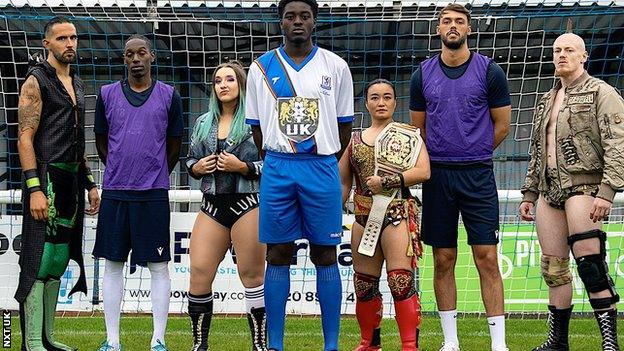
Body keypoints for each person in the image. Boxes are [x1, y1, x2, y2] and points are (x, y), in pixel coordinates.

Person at [245, 0, 354, 349]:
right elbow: (258, 130)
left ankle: (331, 345)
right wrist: (282, 155)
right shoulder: (260, 69)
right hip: (278, 167)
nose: (297, 22)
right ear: (280, 22)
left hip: (321, 167)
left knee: (326, 253)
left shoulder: (335, 67)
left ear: (314, 22)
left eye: (304, 16)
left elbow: (344, 128)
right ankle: (275, 344)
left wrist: (320, 157)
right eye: (290, 16)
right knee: (277, 252)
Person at [409, 4, 511, 351]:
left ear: (468, 29)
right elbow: (417, 130)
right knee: (443, 259)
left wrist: (474, 149)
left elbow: (502, 127)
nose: (452, 26)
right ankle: (450, 341)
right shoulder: (422, 74)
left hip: (478, 175)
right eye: (446, 21)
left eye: (459, 21)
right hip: (437, 176)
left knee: (486, 256)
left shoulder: (490, 72)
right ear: (437, 29)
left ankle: (499, 344)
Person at [519, 33, 622, 351]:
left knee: (590, 265)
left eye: (569, 50)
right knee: (553, 269)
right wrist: (529, 194)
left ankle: (609, 343)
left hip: (585, 187)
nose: (562, 55)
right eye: (557, 50)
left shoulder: (602, 93)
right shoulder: (546, 100)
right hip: (549, 191)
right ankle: (557, 341)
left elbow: (618, 144)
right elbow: (539, 150)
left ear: (584, 56)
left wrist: (606, 192)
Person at [92, 34, 183, 351]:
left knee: (159, 267)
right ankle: (112, 340)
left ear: (152, 57)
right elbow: (102, 141)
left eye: (141, 53)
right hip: (116, 192)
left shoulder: (170, 96)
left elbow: (174, 145)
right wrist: (119, 168)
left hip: (153, 193)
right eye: (129, 54)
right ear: (124, 60)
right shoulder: (106, 95)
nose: (135, 58)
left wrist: (153, 171)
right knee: (113, 264)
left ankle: (158, 339)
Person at [15, 16, 100, 351]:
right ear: (46, 43)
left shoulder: (76, 82)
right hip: (45, 178)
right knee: (38, 259)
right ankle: (31, 342)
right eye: (62, 38)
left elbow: (77, 141)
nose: (70, 44)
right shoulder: (36, 80)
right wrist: (35, 189)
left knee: (58, 260)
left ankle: (47, 338)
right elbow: (24, 138)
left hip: (71, 181)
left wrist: (90, 182)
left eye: (74, 37)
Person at [339, 79, 430, 351]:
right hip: (362, 219)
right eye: (375, 97)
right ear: (366, 103)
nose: (381, 102)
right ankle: (369, 342)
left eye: (387, 97)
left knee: (400, 282)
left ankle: (409, 346)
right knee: (364, 285)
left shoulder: (408, 135)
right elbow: (343, 182)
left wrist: (390, 181)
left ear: (394, 102)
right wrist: (332, 210)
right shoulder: (353, 140)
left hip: (396, 216)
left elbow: (424, 171)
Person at [184, 61, 266, 351]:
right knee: (199, 271)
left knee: (252, 275)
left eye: (230, 79)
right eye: (218, 80)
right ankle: (199, 345)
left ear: (241, 85)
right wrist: (197, 168)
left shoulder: (258, 121)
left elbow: (272, 164)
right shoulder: (203, 122)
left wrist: (242, 167)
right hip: (212, 206)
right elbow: (190, 160)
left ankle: (259, 344)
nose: (223, 85)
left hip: (248, 203)